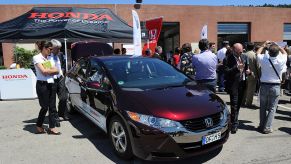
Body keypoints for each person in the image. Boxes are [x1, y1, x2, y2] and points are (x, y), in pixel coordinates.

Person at [256, 41, 287, 134]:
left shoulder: (264, 59)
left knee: (263, 107)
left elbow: (257, 53)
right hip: (275, 86)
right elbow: (285, 52)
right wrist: (278, 46)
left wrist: (263, 45)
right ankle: (267, 127)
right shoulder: (281, 60)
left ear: (269, 52)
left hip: (264, 85)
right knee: (272, 108)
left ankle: (262, 125)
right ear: (278, 53)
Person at [33, 40, 61, 135]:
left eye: (52, 49)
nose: (51, 51)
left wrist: (52, 70)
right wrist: (52, 70)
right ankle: (39, 125)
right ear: (44, 48)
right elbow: (44, 72)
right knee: (44, 106)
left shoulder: (48, 58)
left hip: (51, 83)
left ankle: (52, 127)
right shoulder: (37, 58)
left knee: (52, 107)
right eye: (50, 49)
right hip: (42, 85)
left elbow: (56, 70)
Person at [224, 43, 251, 134]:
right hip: (233, 85)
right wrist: (236, 68)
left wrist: (248, 72)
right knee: (234, 104)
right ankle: (234, 124)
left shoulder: (244, 57)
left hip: (242, 83)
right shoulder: (228, 58)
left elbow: (247, 68)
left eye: (241, 51)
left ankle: (234, 119)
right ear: (233, 50)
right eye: (238, 51)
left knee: (238, 104)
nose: (240, 53)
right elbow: (226, 72)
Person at [49, 39, 70, 121]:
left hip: (60, 77)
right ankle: (55, 116)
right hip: (51, 80)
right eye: (57, 48)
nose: (59, 50)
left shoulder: (60, 54)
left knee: (64, 97)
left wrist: (63, 70)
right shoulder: (46, 56)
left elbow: (64, 64)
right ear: (52, 48)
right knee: (52, 100)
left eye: (59, 48)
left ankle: (61, 113)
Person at [242, 42, 259, 108]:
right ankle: (249, 103)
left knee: (244, 89)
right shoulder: (254, 55)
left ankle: (242, 102)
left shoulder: (243, 54)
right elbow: (257, 66)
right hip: (252, 74)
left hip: (244, 74)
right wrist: (259, 75)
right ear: (254, 47)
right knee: (251, 90)